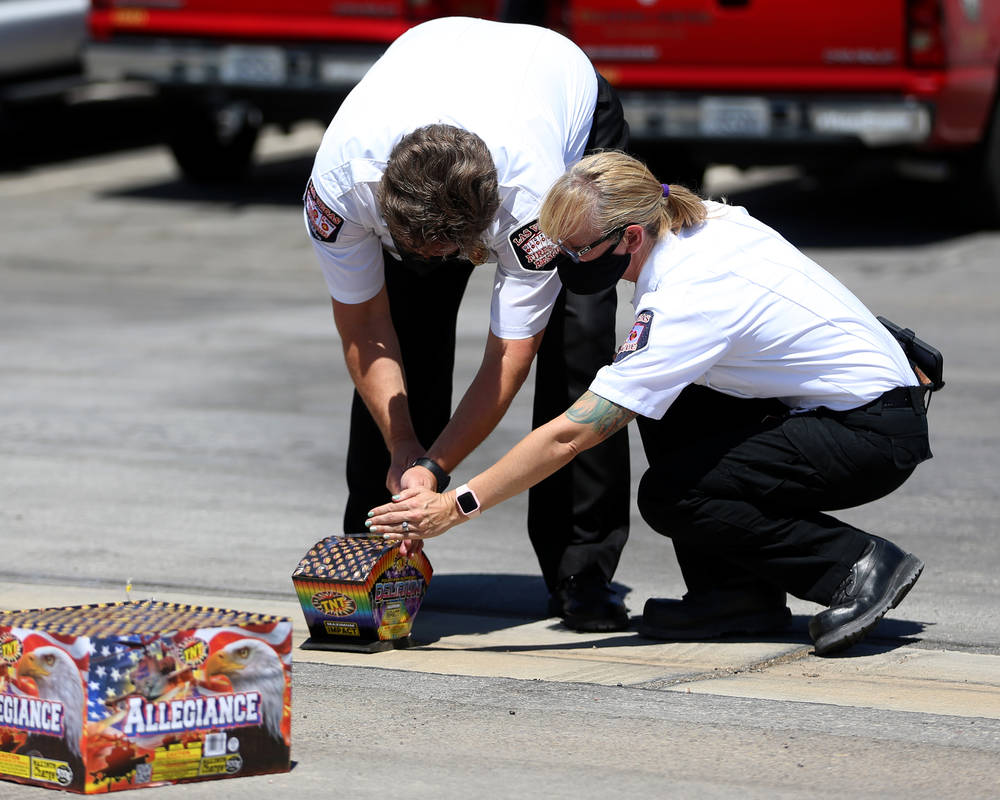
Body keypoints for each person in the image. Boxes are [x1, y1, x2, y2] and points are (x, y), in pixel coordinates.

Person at [363, 150, 934, 656]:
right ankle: (732, 597)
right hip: (862, 403)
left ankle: (857, 568)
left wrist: (456, 505)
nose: (564, 264)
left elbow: (572, 434)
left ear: (630, 239)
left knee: (675, 495)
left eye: (577, 251)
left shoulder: (688, 297)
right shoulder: (703, 222)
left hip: (868, 436)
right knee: (665, 398)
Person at [304, 17, 632, 631]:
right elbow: (365, 328)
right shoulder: (339, 188)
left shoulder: (532, 201)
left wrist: (437, 467)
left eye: (454, 252)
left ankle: (581, 570)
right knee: (409, 328)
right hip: (432, 78)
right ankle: (375, 553)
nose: (444, 264)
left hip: (563, 95)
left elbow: (509, 358)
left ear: (483, 228)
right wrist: (404, 445)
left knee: (578, 345)